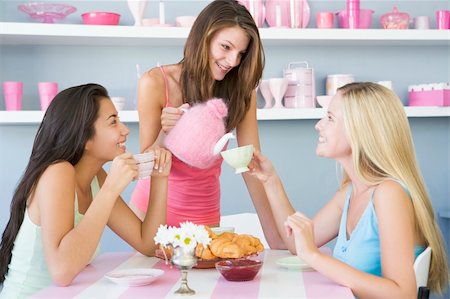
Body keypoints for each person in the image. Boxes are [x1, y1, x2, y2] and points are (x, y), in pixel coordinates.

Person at [248, 82, 449, 297]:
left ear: (360, 131)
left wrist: (315, 257)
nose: (319, 125)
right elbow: (295, 244)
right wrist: (271, 180)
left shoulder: (389, 194)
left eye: (330, 118)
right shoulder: (352, 191)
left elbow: (401, 294)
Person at [129, 0, 285, 248]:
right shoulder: (155, 82)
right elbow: (144, 165)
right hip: (151, 215)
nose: (233, 61)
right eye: (226, 47)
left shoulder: (240, 90)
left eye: (241, 53)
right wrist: (165, 132)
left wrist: (275, 238)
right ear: (203, 36)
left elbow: (250, 164)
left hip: (205, 215)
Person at [0, 84, 171, 298]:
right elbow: (62, 271)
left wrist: (160, 179)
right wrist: (111, 188)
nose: (125, 130)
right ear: (85, 136)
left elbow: (148, 244)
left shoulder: (96, 178)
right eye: (113, 122)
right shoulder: (57, 173)